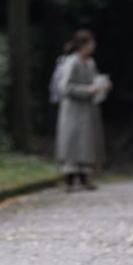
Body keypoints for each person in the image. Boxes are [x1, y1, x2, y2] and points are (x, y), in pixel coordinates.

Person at [54, 29, 110, 190]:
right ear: (83, 45)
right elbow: (64, 87)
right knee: (72, 142)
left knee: (86, 142)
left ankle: (84, 177)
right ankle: (69, 179)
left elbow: (95, 80)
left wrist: (102, 86)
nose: (93, 46)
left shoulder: (91, 62)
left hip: (87, 108)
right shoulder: (72, 62)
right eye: (91, 43)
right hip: (72, 109)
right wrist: (87, 90)